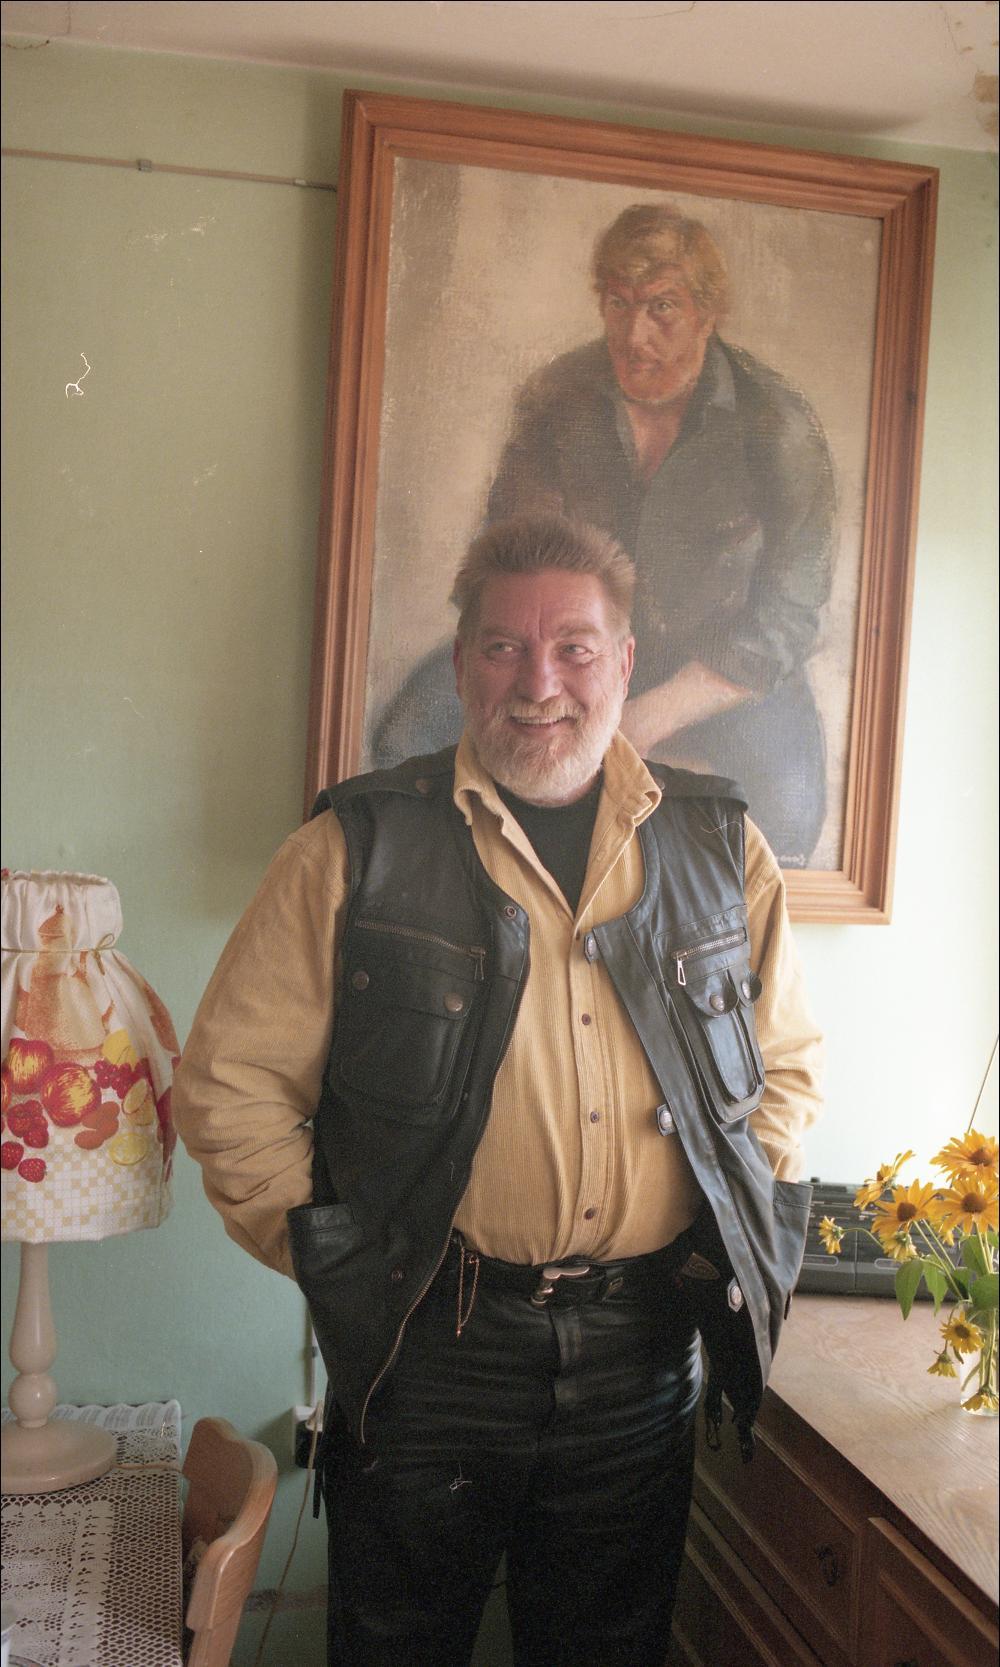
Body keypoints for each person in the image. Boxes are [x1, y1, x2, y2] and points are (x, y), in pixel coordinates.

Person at [173, 513, 823, 1666]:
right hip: (431, 1355)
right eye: (503, 647)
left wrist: (721, 1216)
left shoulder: (722, 847)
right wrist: (348, 1259)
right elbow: (230, 1088)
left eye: (574, 647)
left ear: (625, 661)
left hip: (641, 1351)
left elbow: (788, 1070)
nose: (539, 681)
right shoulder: (355, 846)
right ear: (463, 663)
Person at [372, 202, 836, 869]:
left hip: (722, 670)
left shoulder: (779, 425)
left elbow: (790, 611)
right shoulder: (560, 396)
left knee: (789, 820)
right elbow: (504, 556)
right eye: (618, 304)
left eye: (662, 308)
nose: (634, 335)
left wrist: (650, 714)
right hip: (568, 653)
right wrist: (545, 662)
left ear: (708, 314)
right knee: (405, 737)